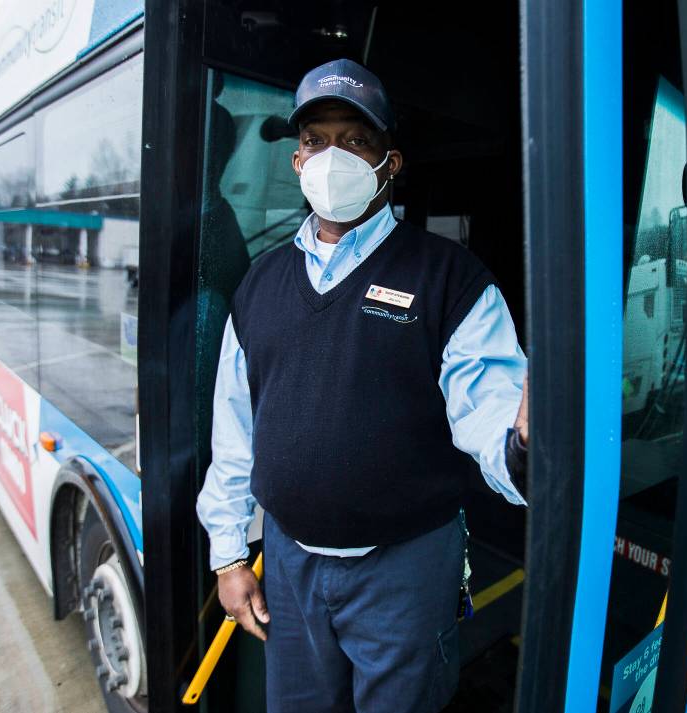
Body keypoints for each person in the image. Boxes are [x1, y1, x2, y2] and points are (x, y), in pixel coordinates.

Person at [196, 57, 529, 713]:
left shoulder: (450, 281)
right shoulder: (260, 285)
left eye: (355, 140)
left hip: (405, 570)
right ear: (297, 161)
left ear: (391, 162)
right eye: (317, 140)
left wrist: (524, 440)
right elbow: (235, 431)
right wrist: (229, 554)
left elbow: (496, 431)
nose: (331, 156)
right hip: (290, 565)